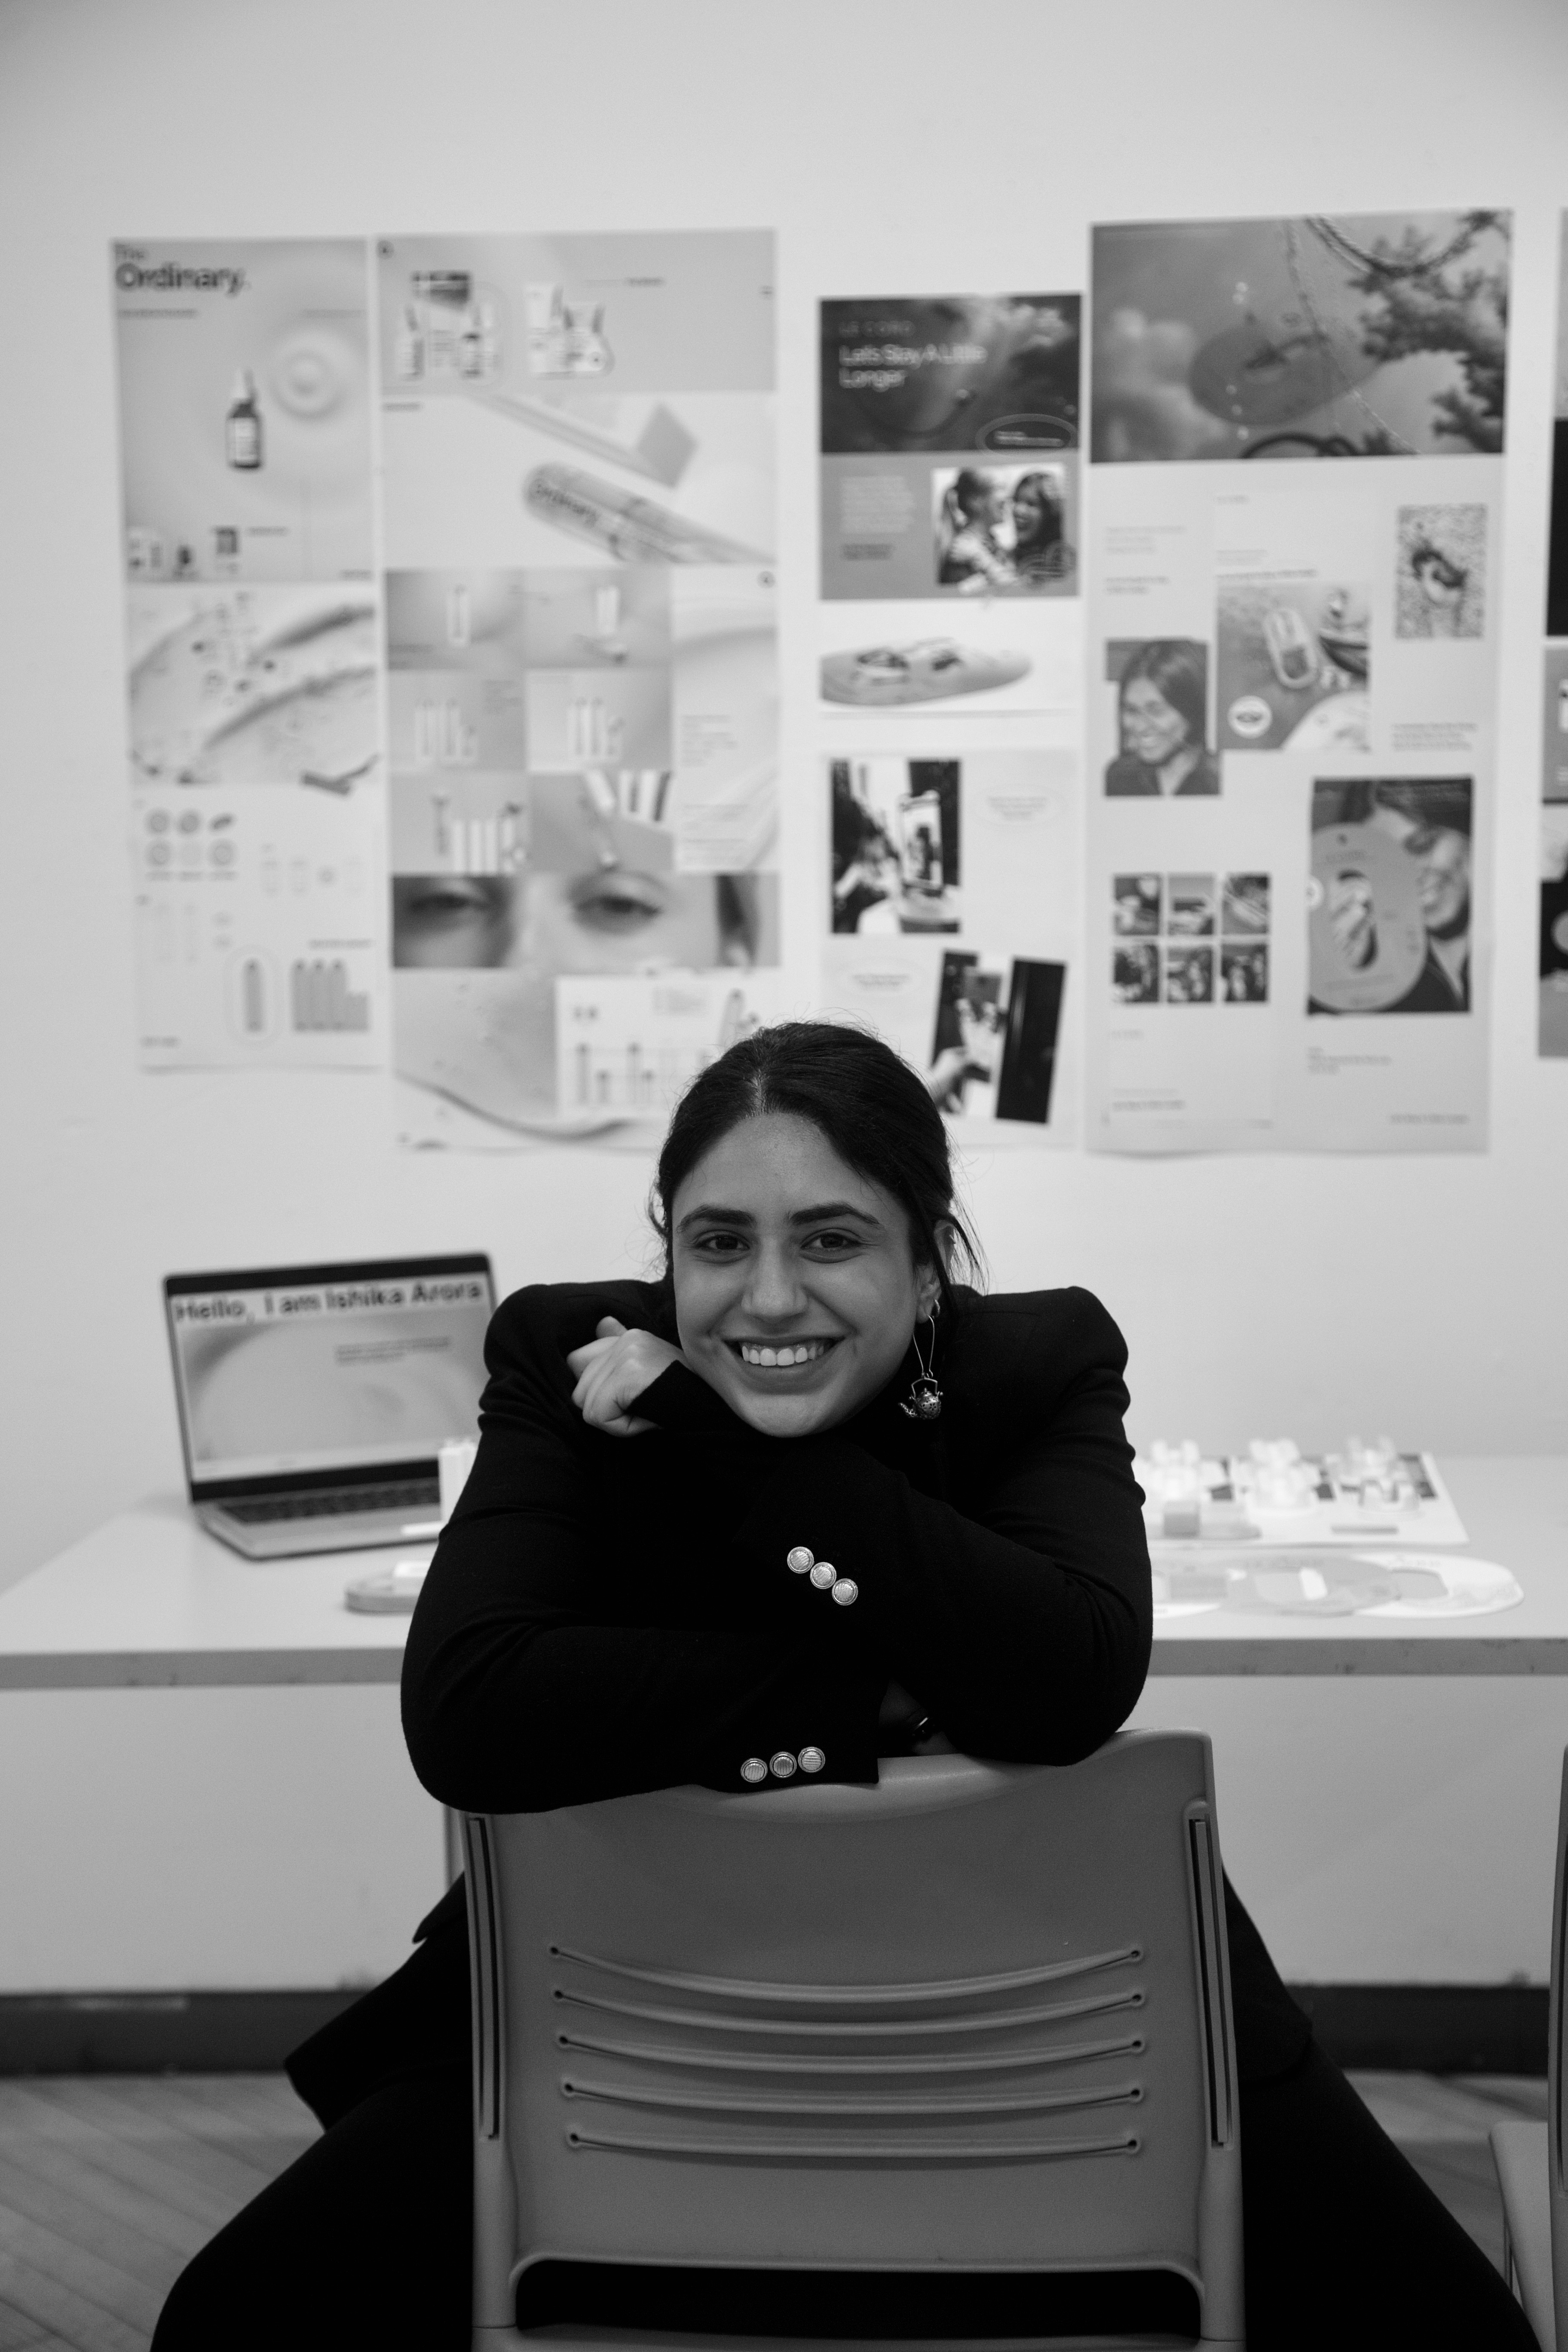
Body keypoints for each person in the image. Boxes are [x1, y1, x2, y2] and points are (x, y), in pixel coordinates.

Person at [152, 1023, 1533, 2352]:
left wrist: (723, 1443)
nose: (762, 1298)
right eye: (716, 1244)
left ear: (927, 1264)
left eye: (829, 1239)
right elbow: (470, 1710)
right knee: (236, 2317)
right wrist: (893, 1692)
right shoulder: (567, 1359)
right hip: (625, 1996)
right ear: (666, 1252)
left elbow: (1072, 1674)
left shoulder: (1033, 1367)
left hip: (1060, 1991)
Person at [1104, 640, 1220, 796]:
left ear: (1193, 712)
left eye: (1156, 711)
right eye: (1131, 710)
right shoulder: (1119, 779)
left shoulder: (1221, 781)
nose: (1139, 727)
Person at [936, 467, 1015, 592]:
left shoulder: (989, 543)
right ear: (975, 500)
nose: (1008, 497)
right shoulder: (963, 550)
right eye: (1000, 488)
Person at [1008, 468, 1069, 584]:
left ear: (1050, 514)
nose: (1018, 510)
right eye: (1016, 501)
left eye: (1031, 504)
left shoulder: (1063, 565)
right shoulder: (1005, 559)